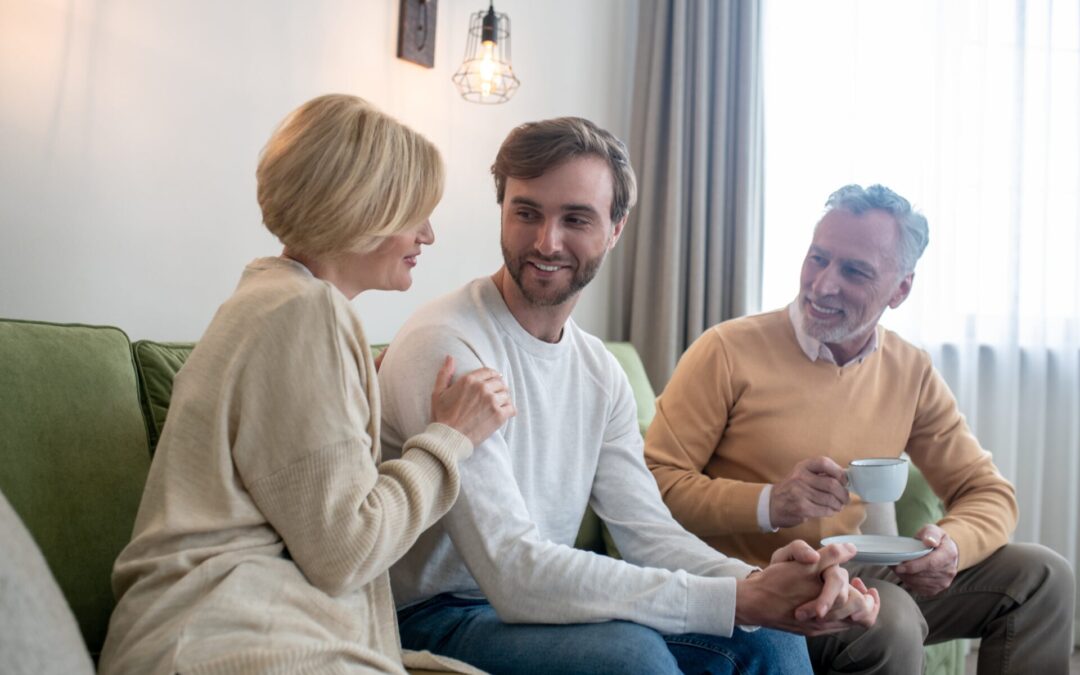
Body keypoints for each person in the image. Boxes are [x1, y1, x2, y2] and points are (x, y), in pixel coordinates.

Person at [377, 117, 880, 675]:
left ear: (615, 229)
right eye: (527, 212)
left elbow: (650, 536)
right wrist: (740, 599)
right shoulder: (445, 346)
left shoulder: (600, 371)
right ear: (503, 211)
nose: (547, 241)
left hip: (539, 605)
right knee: (629, 655)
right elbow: (512, 573)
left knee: (771, 641)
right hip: (431, 614)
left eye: (575, 218)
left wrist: (765, 585)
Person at [98, 94, 514, 674]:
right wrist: (449, 438)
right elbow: (348, 551)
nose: (428, 235)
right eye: (414, 213)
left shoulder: (271, 303)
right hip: (233, 640)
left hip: (227, 629)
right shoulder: (304, 314)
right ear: (364, 210)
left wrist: (350, 388)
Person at [645, 184, 1077, 673]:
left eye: (854, 271)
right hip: (755, 581)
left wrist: (950, 547)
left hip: (855, 569)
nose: (823, 284)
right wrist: (771, 503)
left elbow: (987, 491)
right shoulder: (725, 351)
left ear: (901, 289)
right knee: (888, 619)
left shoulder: (908, 369)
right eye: (818, 259)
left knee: (1043, 577)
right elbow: (653, 484)